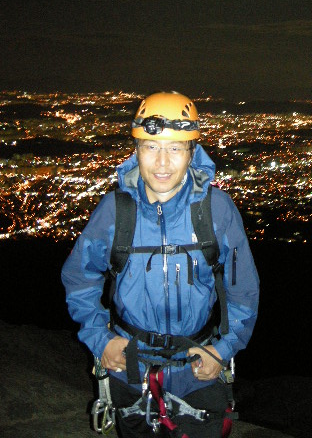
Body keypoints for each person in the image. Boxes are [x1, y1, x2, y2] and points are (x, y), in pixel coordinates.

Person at [61, 91, 259, 437]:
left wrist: (222, 350)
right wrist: (100, 339)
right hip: (129, 369)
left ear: (192, 152)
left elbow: (243, 289)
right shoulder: (115, 211)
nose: (162, 163)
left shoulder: (216, 210)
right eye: (151, 147)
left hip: (196, 370)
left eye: (175, 148)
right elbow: (80, 278)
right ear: (136, 150)